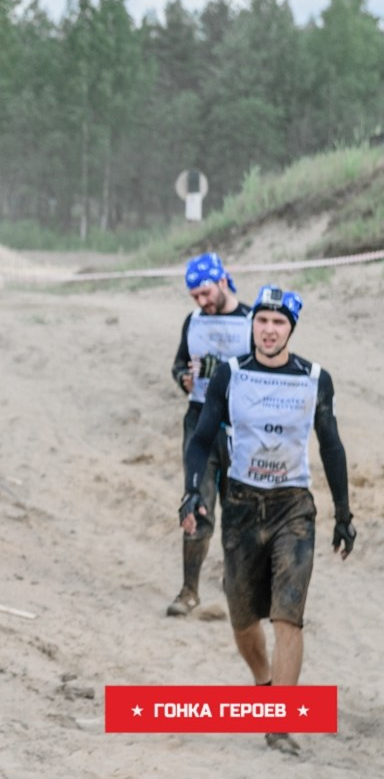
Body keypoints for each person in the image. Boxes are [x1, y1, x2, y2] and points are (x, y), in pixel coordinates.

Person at [180, 285, 356, 756]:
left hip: (292, 507)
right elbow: (199, 439)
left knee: (288, 614)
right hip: (239, 504)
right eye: (262, 321)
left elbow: (332, 446)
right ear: (252, 324)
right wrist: (192, 491)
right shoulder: (231, 375)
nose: (269, 330)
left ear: (291, 329)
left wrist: (343, 513)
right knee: (242, 618)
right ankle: (264, 684)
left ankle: (279, 721)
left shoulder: (316, 378)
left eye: (279, 323)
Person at [166, 252, 251, 616]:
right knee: (195, 504)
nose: (201, 302)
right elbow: (179, 363)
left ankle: (242, 591)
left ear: (221, 282)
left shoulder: (253, 321)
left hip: (242, 429)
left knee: (242, 511)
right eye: (194, 296)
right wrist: (182, 377)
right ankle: (189, 591)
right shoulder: (194, 321)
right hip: (200, 423)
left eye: (205, 293)